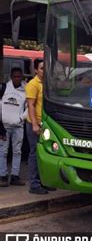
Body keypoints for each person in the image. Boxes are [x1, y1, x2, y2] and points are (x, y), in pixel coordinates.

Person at [25, 59, 55, 194]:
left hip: (45, 125)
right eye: (42, 68)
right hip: (34, 124)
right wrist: (35, 125)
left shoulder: (47, 84)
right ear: (36, 70)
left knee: (45, 154)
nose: (44, 70)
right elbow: (30, 105)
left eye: (46, 68)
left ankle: (44, 182)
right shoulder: (33, 84)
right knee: (34, 154)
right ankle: (34, 184)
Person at [0, 68, 28, 187]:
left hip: (18, 126)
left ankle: (15, 176)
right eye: (15, 76)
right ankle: (3, 176)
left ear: (21, 77)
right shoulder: (4, 88)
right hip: (4, 126)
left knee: (17, 151)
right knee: (3, 151)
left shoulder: (25, 89)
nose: (17, 79)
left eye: (19, 77)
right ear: (11, 77)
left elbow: (29, 107)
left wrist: (21, 118)